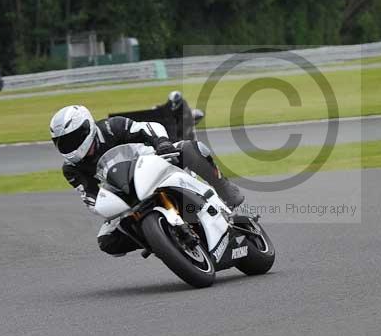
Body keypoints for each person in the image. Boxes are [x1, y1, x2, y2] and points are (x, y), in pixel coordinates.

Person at [50, 105, 244, 256]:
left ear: (86, 128)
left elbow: (148, 127)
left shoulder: (110, 127)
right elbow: (89, 197)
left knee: (190, 148)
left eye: (72, 139)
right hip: (124, 193)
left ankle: (225, 190)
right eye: (63, 143)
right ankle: (161, 242)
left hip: (153, 164)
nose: (70, 146)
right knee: (107, 240)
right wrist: (105, 208)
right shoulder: (72, 168)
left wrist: (162, 143)